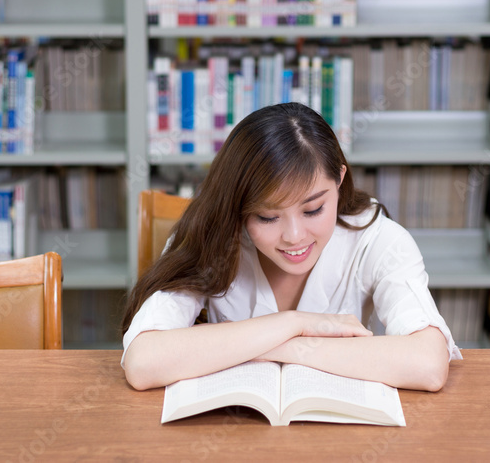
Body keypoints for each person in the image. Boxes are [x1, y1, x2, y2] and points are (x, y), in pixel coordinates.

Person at [121, 102, 462, 392]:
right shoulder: (212, 235)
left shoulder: (379, 240)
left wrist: (278, 346)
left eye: (313, 209)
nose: (295, 236)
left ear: (339, 181)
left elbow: (428, 364)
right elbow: (143, 361)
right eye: (267, 217)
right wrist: (297, 323)